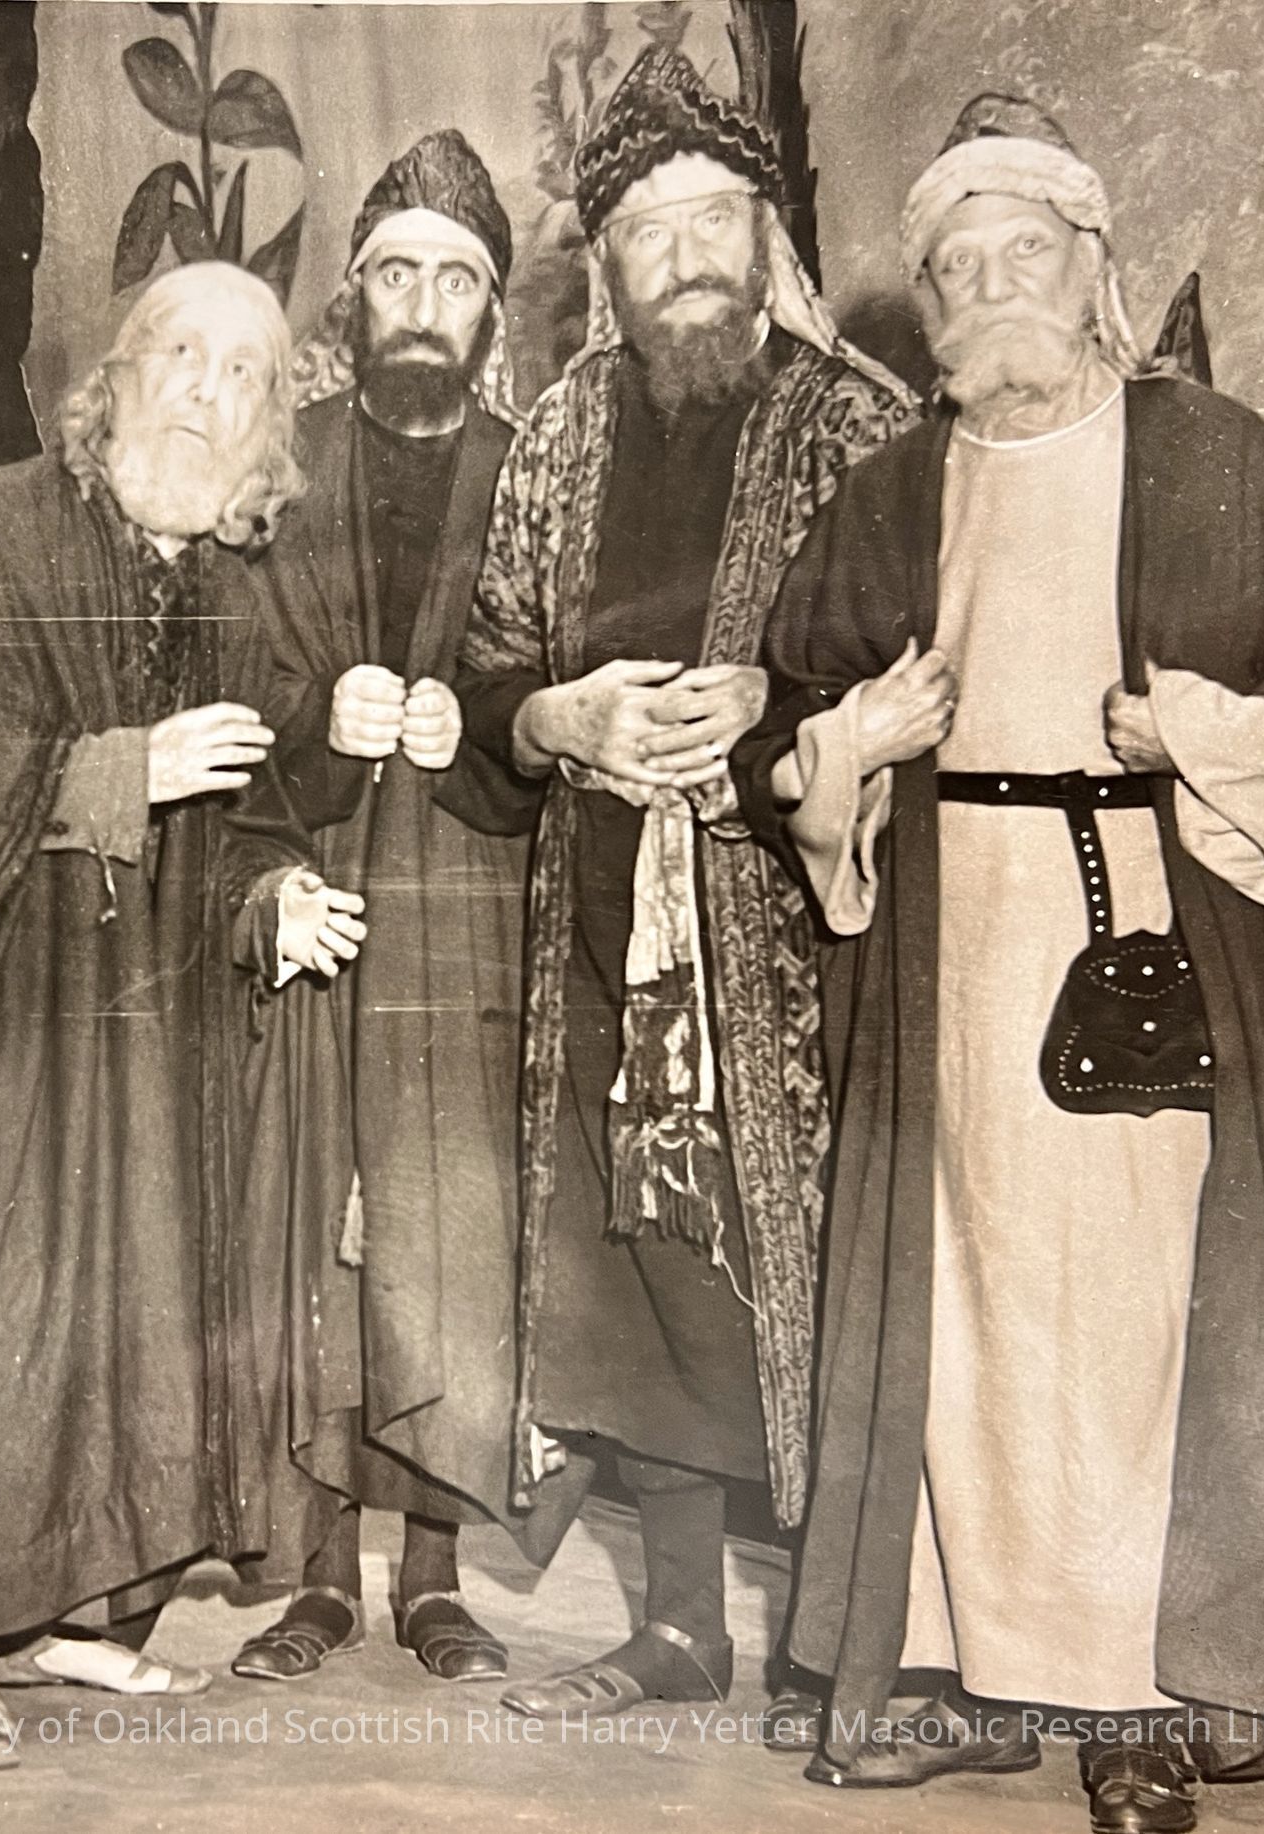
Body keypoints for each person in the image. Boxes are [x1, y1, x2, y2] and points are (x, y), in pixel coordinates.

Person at [734, 96, 1264, 1833]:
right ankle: (979, 1672)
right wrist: (853, 740)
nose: (990, 291)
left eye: (1024, 255)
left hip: (1152, 933)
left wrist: (1200, 726)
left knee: (1133, 1318)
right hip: (952, 949)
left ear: (1092, 270)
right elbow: (786, 715)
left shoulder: (1210, 454)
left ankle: (1136, 1699)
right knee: (964, 1311)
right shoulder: (896, 489)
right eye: (956, 269)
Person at [0, 261, 367, 1770]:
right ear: (116, 376)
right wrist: (117, 769)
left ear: (269, 433)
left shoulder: (227, 595)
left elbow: (245, 818)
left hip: (132, 1042)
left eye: (245, 374)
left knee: (118, 1311)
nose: (207, 393)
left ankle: (68, 1620)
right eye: (182, 353)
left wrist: (272, 900)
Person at [451, 45, 917, 1724]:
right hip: (600, 910)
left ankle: (841, 1642)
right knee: (639, 1267)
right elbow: (490, 675)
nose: (686, 254)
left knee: (814, 1264)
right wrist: (559, 717)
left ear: (763, 231)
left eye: (714, 216)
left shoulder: (859, 420)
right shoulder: (559, 433)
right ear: (610, 268)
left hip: (797, 921)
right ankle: (675, 1627)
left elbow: (930, 662)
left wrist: (775, 707)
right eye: (647, 232)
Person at [223, 130, 537, 1689]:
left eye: (455, 280)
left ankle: (434, 1568)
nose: (423, 305)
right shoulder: (278, 466)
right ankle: (314, 1570)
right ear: (352, 298)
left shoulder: (532, 471)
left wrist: (481, 723)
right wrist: (311, 720)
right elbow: (217, 659)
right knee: (311, 1213)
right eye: (395, 274)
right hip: (317, 876)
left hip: (470, 888)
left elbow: (556, 680)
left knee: (447, 1223)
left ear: (493, 310)